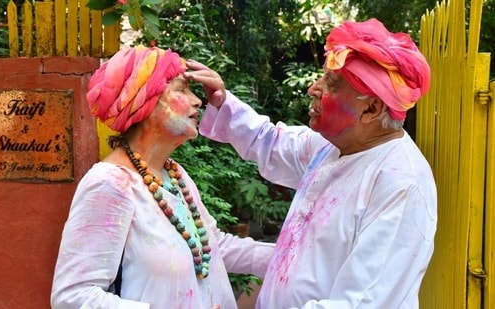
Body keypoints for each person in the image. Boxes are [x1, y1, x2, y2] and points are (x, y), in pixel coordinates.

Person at [185, 18, 437, 308]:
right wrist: (222, 101)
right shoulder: (331, 146)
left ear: (371, 108)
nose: (313, 88)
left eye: (331, 83)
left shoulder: (400, 183)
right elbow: (268, 141)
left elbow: (361, 302)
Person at [50, 44, 274, 309]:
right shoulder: (110, 184)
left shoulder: (175, 174)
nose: (197, 100)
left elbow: (211, 246)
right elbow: (73, 296)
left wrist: (295, 255)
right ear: (145, 104)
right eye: (181, 89)